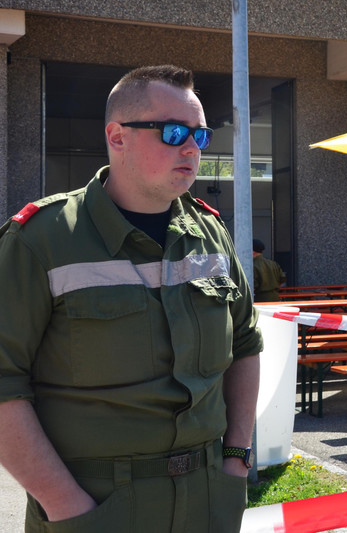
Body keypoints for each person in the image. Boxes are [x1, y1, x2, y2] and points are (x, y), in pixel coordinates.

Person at [0, 65, 263, 532]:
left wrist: (237, 457)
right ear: (117, 137)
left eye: (201, 135)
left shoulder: (210, 233)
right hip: (94, 505)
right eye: (174, 132)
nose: (192, 148)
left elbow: (244, 343)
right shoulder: (42, 241)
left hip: (208, 500)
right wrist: (65, 504)